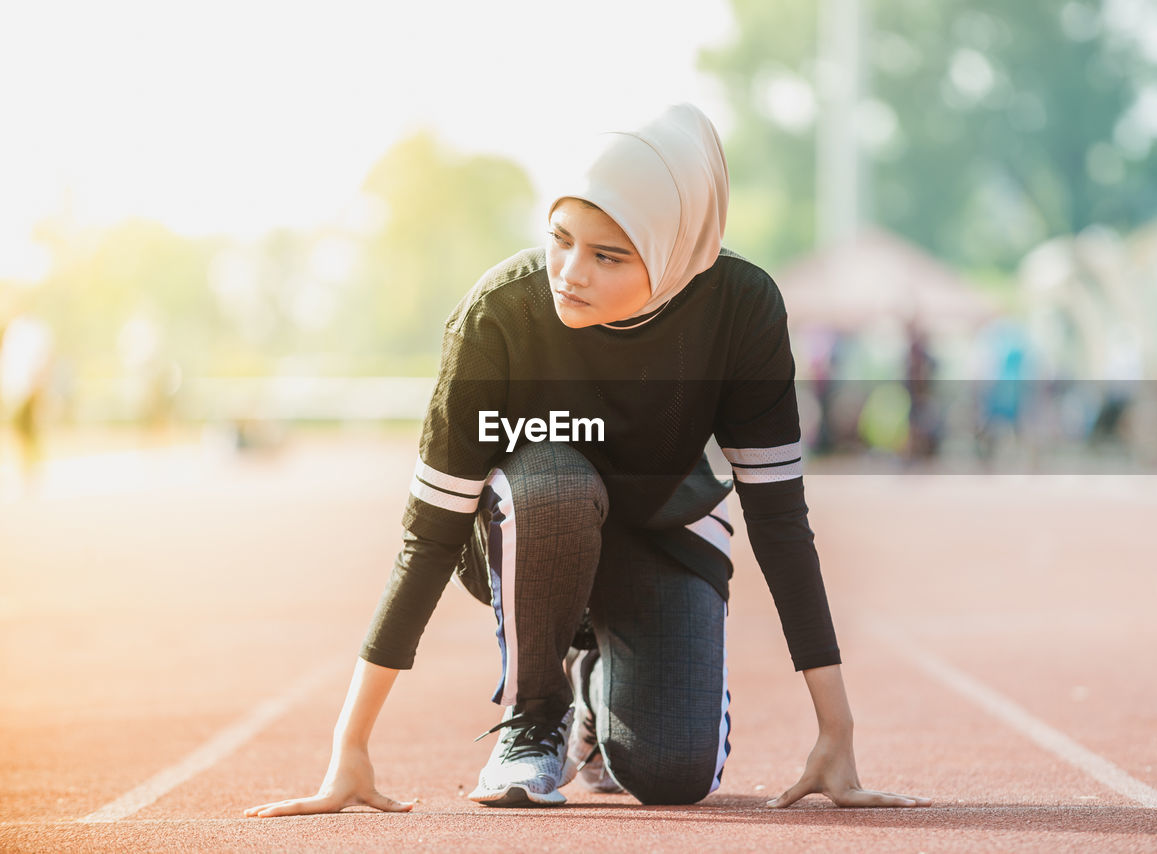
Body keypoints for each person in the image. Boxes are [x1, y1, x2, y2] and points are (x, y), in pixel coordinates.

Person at [245, 104, 931, 815]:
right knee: (555, 483)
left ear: (674, 255)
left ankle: (600, 692)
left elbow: (781, 517)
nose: (570, 273)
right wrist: (350, 745)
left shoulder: (740, 309)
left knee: (673, 777)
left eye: (608, 256)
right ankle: (535, 717)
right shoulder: (499, 316)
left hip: (663, 531)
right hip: (532, 532)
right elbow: (431, 531)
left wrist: (836, 728)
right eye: (561, 239)